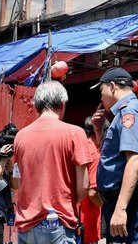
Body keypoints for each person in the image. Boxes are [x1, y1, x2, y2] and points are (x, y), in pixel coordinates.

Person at [12, 81, 91, 244]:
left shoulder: (20, 136)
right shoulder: (75, 133)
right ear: (62, 105)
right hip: (57, 224)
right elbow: (83, 185)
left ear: (36, 107)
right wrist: (66, 204)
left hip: (25, 226)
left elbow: (18, 181)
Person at [91, 67, 138, 244]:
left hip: (129, 200)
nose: (101, 97)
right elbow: (115, 157)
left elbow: (134, 159)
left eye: (101, 90)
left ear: (112, 86)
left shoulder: (129, 112)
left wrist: (120, 208)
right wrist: (98, 129)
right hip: (123, 198)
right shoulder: (122, 113)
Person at [79, 117, 103, 244]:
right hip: (89, 224)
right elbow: (92, 192)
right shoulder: (94, 153)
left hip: (73, 219)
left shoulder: (78, 147)